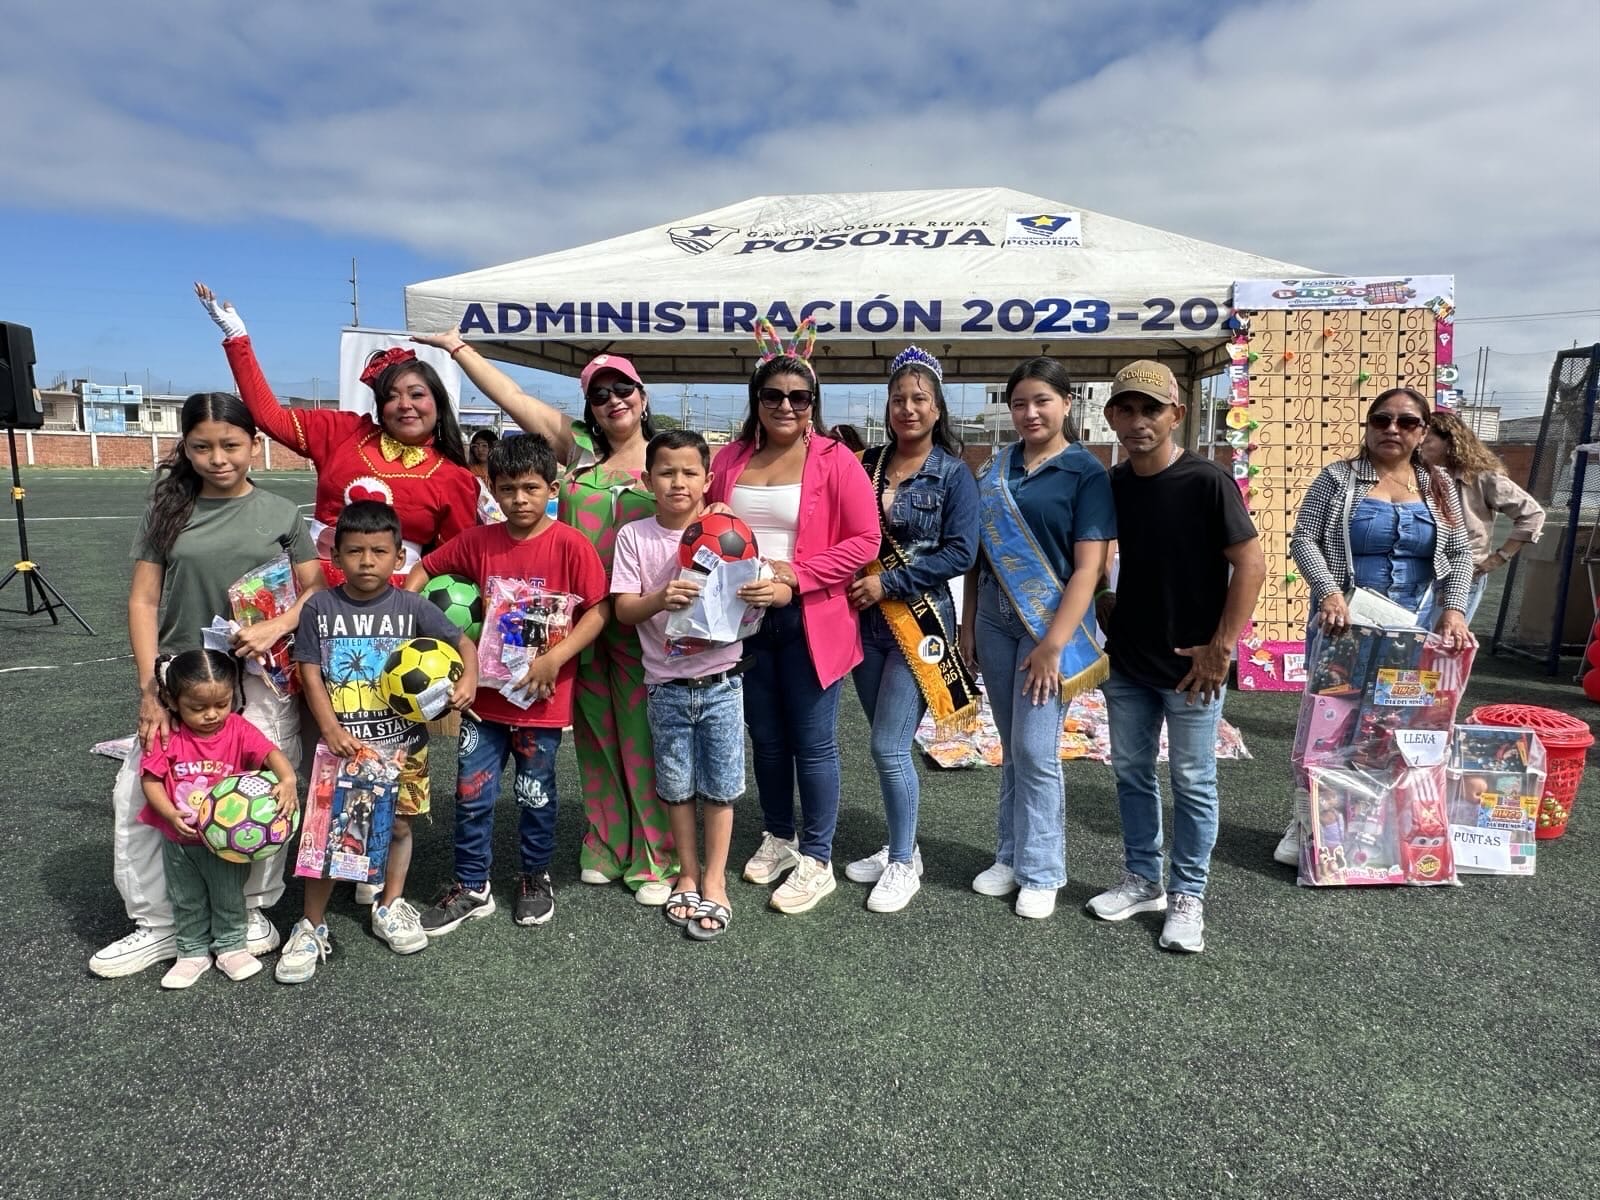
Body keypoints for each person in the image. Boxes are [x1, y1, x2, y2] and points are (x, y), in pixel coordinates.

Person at [413, 329, 675, 905]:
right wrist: (458, 349)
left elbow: (708, 502)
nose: (613, 400)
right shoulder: (578, 449)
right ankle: (606, 842)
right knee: (595, 740)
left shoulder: (665, 460)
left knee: (642, 741)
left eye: (623, 389)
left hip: (643, 622)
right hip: (572, 627)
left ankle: (655, 855)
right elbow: (511, 397)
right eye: (600, 393)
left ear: (643, 395)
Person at [91, 393, 321, 980]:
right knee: (140, 794)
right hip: (184, 676)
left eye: (231, 445)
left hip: (261, 674)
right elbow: (143, 601)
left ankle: (249, 912)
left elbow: (316, 590)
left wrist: (277, 623)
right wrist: (151, 687)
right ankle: (157, 925)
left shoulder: (281, 512)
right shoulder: (167, 510)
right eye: (202, 447)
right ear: (185, 448)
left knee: (265, 793)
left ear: (254, 444)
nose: (218, 458)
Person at [1085, 361, 1265, 954]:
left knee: (1192, 781)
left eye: (1152, 409)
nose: (1138, 421)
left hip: (1193, 666)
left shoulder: (1207, 481)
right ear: (1111, 416)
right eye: (1127, 409)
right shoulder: (1113, 482)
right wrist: (1104, 592)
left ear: (1177, 415)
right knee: (1131, 773)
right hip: (1128, 661)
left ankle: (1189, 894)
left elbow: (1252, 564)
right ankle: (1143, 880)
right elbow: (1096, 549)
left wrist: (1221, 648)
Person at [707, 319, 879, 914]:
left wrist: (795, 577)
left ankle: (818, 857)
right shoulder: (729, 459)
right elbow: (710, 526)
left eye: (799, 397)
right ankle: (779, 836)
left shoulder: (836, 459)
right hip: (744, 625)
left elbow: (865, 540)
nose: (786, 406)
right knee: (767, 740)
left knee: (814, 743)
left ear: (813, 403)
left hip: (811, 621)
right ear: (756, 401)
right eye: (773, 395)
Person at [406, 433, 608, 933]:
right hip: (483, 702)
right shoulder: (479, 541)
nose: (519, 499)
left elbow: (599, 611)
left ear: (552, 489)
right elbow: (424, 569)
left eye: (531, 488)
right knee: (471, 794)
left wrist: (555, 658)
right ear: (492, 490)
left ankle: (535, 877)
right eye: (507, 489)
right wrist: (409, 621)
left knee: (534, 795)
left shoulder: (570, 545)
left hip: (540, 702)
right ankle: (472, 884)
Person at [276, 502, 477, 983]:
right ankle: (311, 925)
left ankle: (390, 904)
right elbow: (309, 670)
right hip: (344, 748)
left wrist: (469, 678)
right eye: (355, 551)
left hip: (404, 748)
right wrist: (330, 728)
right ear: (336, 556)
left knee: (401, 826)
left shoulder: (412, 606)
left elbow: (464, 643)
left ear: (399, 557)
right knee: (327, 838)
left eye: (379, 551)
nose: (367, 561)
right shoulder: (320, 608)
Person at [1275, 386, 1473, 865]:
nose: (1392, 429)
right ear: (1367, 427)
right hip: (1345, 627)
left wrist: (1453, 609)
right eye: (1381, 420)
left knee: (1392, 727)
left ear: (1423, 432)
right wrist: (1329, 592)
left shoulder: (1439, 485)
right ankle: (1309, 822)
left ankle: (1371, 829)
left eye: (1407, 422)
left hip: (1414, 631)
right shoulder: (1338, 478)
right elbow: (1304, 539)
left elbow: (1460, 553)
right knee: (1330, 726)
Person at [958, 358, 1115, 919]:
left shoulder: (1086, 472)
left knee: (1034, 748)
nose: (1030, 413)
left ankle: (1043, 869)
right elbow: (978, 556)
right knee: (1010, 744)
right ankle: (1010, 854)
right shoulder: (995, 467)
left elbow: (1090, 568)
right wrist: (968, 621)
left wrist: (1053, 645)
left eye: (1042, 401)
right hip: (994, 617)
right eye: (1020, 403)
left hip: (1051, 624)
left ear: (1067, 403)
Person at [196, 284, 481, 584]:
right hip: (313, 588)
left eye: (417, 394)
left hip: (395, 603)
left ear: (438, 404)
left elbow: (454, 563)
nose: (405, 405)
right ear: (381, 406)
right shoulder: (344, 432)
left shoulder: (455, 479)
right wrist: (238, 339)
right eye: (392, 396)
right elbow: (270, 417)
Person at [613, 430, 768, 940]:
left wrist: (766, 593)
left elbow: (764, 592)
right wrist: (660, 598)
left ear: (707, 479)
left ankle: (715, 881)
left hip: (723, 683)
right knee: (676, 787)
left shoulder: (730, 530)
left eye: (689, 472)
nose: (677, 482)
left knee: (721, 789)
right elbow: (623, 609)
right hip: (665, 686)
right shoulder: (634, 537)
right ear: (647, 480)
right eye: (666, 472)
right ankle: (687, 872)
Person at [844, 347, 979, 913]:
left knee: (888, 746)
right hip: (863, 622)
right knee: (885, 744)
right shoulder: (866, 463)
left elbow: (961, 552)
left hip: (920, 624)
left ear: (937, 406)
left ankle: (903, 862)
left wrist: (890, 582)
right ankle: (903, 846)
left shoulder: (954, 473)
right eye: (898, 398)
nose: (908, 408)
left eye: (919, 398)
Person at [139, 649, 298, 989]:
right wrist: (169, 812)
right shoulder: (170, 735)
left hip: (227, 844)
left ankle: (231, 947)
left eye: (221, 704)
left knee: (228, 895)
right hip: (180, 842)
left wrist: (287, 780)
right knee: (186, 898)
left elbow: (271, 754)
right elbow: (151, 780)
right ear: (172, 701)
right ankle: (191, 952)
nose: (211, 714)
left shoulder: (237, 729)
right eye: (198, 708)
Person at [1419, 409, 1545, 624]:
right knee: (1407, 639)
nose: (1419, 446)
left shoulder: (1482, 477)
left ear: (1450, 442)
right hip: (1420, 572)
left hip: (1461, 573)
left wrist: (1500, 557)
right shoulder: (1416, 474)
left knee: (1444, 640)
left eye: (1427, 441)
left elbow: (1532, 514)